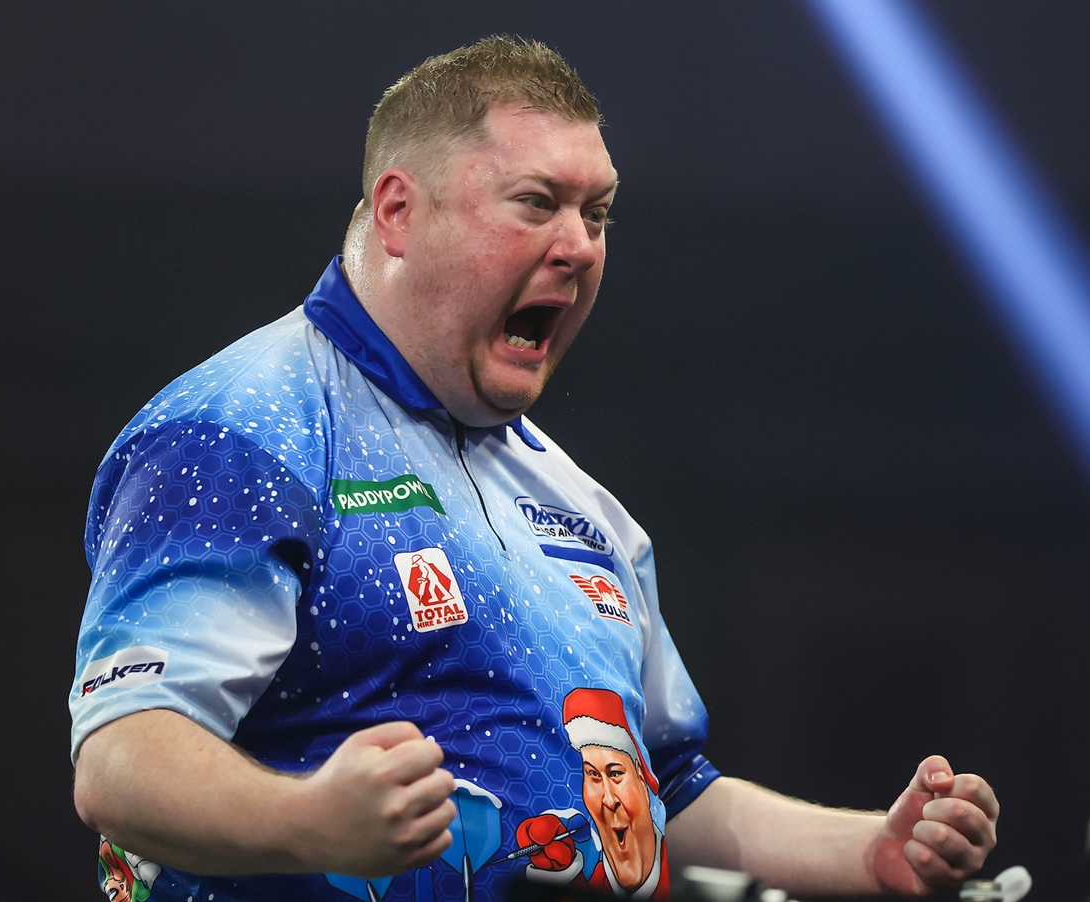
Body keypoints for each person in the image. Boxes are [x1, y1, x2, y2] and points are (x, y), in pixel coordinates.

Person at [69, 34, 999, 902]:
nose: (581, 246)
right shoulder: (241, 428)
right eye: (537, 202)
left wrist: (868, 851)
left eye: (597, 212)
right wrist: (311, 822)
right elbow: (122, 760)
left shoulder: (586, 509)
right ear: (398, 212)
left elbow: (669, 788)